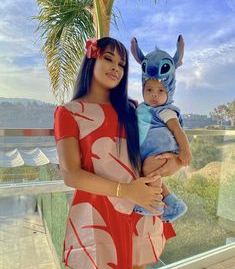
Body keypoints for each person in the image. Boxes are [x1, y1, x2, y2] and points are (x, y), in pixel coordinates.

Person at [54, 37, 182, 269]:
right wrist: (125, 191)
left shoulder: (134, 109)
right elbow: (70, 174)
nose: (116, 68)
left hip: (139, 209)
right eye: (108, 58)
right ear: (91, 60)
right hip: (97, 213)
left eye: (122, 64)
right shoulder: (68, 113)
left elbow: (162, 143)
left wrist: (175, 163)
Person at [131, 35, 191, 221]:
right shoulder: (143, 108)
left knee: (150, 172)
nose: (154, 96)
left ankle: (153, 205)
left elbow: (177, 131)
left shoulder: (165, 111)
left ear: (169, 91)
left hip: (160, 151)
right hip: (151, 152)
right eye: (149, 90)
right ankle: (173, 204)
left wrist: (185, 152)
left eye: (160, 91)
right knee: (153, 175)